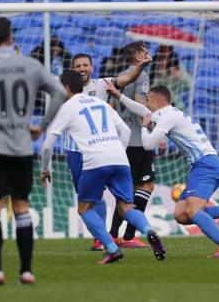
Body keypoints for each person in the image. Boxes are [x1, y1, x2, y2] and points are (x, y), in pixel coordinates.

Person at [0, 17, 66, 287]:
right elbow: (59, 92)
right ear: (10, 36)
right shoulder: (30, 64)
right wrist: (41, 125)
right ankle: (26, 271)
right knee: (21, 207)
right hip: (22, 145)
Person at [39, 70, 166, 264]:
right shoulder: (101, 103)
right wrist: (119, 153)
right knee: (126, 207)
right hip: (119, 158)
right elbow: (123, 130)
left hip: (95, 160)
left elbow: (48, 144)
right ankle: (149, 230)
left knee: (84, 208)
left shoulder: (67, 107)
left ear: (66, 88)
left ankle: (112, 248)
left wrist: (45, 168)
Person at [106, 83, 219, 258]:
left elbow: (148, 144)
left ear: (157, 102)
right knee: (181, 215)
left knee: (193, 211)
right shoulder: (167, 113)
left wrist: (143, 126)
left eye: (148, 100)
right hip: (202, 166)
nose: (145, 103)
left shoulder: (168, 117)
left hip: (206, 165)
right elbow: (141, 110)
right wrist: (118, 95)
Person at [69, 48, 152, 251]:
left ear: (91, 67)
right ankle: (113, 235)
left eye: (85, 65)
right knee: (86, 199)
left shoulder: (101, 85)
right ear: (73, 69)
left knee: (95, 198)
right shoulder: (65, 88)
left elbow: (125, 78)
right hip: (73, 150)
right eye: (78, 66)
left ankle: (104, 239)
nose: (82, 69)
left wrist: (140, 66)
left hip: (98, 150)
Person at [108, 41, 157, 248]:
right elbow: (140, 102)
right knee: (145, 186)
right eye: (144, 50)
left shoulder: (119, 77)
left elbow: (111, 107)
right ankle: (128, 236)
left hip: (123, 140)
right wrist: (152, 127)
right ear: (137, 56)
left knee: (126, 191)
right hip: (138, 140)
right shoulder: (142, 76)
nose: (148, 52)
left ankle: (113, 235)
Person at [150, 45, 191, 111]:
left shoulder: (177, 66)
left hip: (175, 104)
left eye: (167, 49)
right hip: (155, 104)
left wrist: (179, 75)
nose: (165, 52)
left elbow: (190, 85)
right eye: (162, 49)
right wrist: (159, 76)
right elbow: (149, 87)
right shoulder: (151, 65)